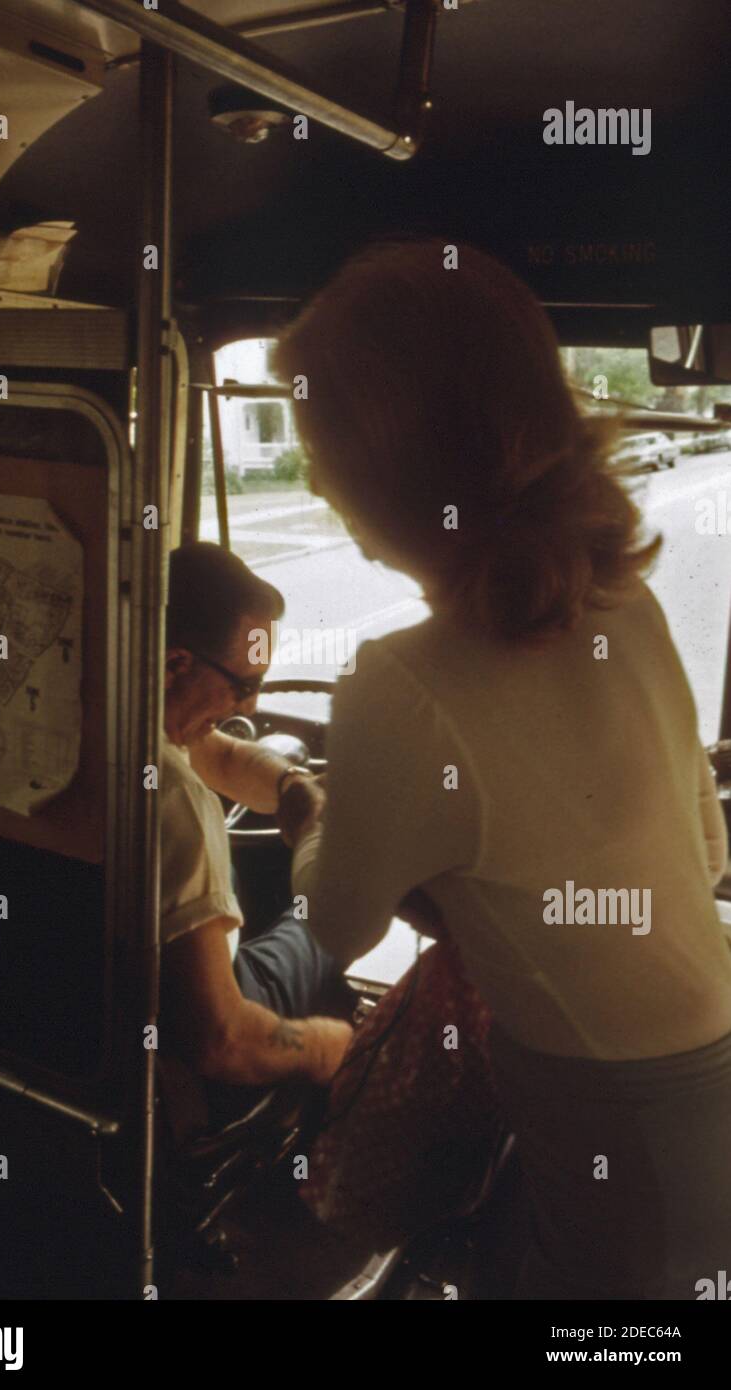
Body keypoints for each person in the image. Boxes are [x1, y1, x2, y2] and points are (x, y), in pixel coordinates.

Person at [271, 238, 731, 1300]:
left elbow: (336, 925)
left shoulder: (402, 681)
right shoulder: (621, 601)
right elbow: (701, 844)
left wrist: (301, 805)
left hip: (613, 1119)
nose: (310, 473)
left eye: (316, 439)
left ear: (385, 461)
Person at [158, 542, 353, 1103]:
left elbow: (217, 753)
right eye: (244, 685)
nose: (249, 708)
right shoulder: (175, 802)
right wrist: (329, 1046)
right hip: (198, 1045)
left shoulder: (110, 710)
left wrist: (294, 788)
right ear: (177, 664)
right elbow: (221, 1040)